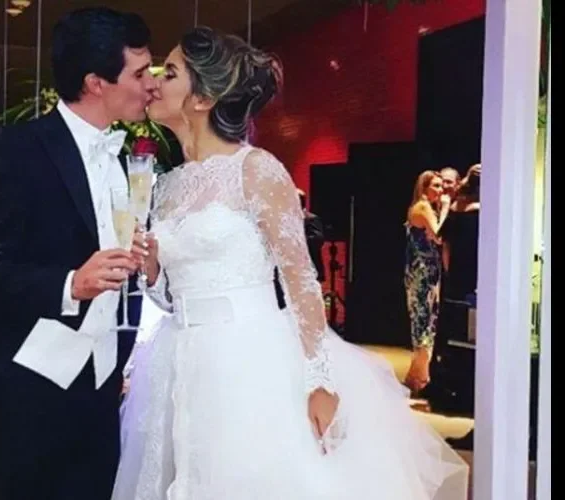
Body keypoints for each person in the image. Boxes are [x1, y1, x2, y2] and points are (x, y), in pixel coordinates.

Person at [112, 27, 468, 500]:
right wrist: (153, 268)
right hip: (177, 357)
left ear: (203, 98)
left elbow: (301, 279)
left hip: (248, 356)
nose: (155, 81)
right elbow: (169, 295)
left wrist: (319, 380)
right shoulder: (168, 184)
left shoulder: (256, 169)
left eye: (170, 72)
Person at [0, 7, 157, 500]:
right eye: (140, 73)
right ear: (96, 82)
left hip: (101, 389)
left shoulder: (123, 160)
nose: (151, 86)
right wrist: (70, 284)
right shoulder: (15, 149)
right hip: (24, 388)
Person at [404, 171, 450, 392]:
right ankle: (420, 379)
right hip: (422, 273)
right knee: (424, 323)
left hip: (427, 271)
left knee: (426, 322)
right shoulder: (422, 207)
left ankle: (415, 377)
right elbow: (438, 234)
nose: (441, 191)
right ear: (424, 188)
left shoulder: (426, 207)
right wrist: (447, 207)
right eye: (436, 186)